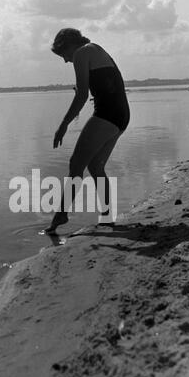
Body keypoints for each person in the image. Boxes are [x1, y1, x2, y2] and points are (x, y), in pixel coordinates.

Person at [45, 28, 130, 233]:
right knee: (95, 166)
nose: (66, 61)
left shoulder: (82, 52)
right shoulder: (95, 49)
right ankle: (107, 217)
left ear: (69, 45)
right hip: (121, 115)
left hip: (107, 114)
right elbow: (105, 85)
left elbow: (82, 95)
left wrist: (63, 124)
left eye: (63, 55)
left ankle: (61, 215)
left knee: (76, 164)